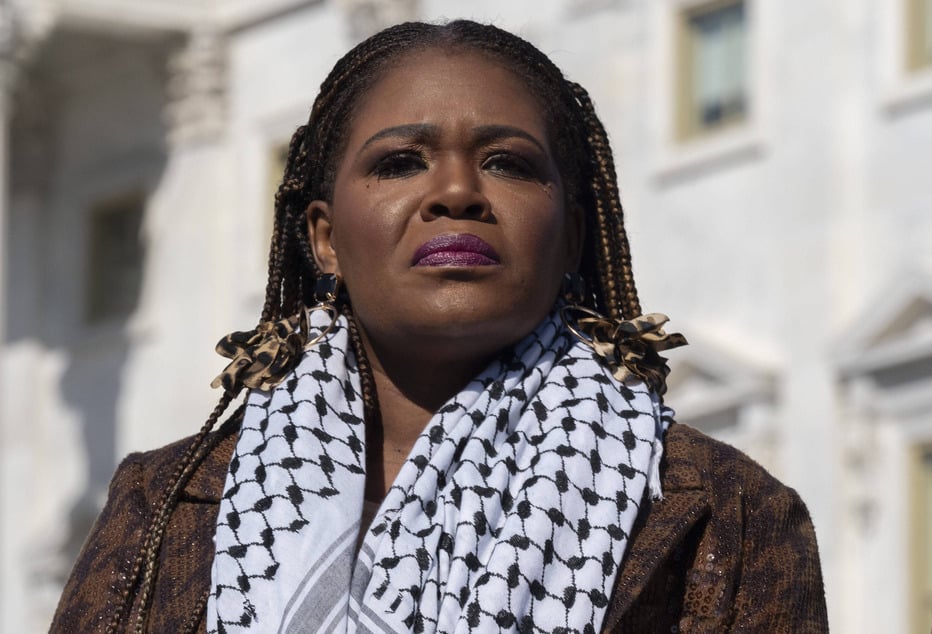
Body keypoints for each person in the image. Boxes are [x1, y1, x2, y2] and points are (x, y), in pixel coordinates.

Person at [51, 20, 828, 633]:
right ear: (324, 238)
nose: (456, 191)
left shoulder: (722, 510)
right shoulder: (168, 501)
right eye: (399, 163)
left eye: (508, 164)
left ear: (572, 237)